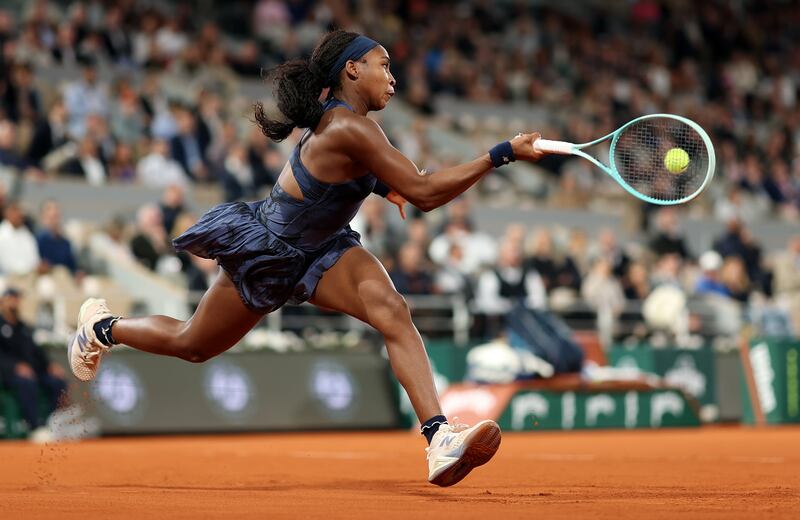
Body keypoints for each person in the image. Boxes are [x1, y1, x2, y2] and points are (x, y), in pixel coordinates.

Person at [68, 30, 543, 487]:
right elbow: (423, 192)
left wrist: (381, 185)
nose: (393, 78)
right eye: (385, 66)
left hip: (326, 249)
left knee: (392, 310)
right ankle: (103, 328)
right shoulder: (348, 127)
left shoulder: (353, 127)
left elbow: (371, 176)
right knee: (194, 344)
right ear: (352, 70)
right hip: (270, 251)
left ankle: (439, 438)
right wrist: (500, 154)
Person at [0, 288, 67, 442]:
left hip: (33, 371)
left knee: (57, 382)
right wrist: (15, 367)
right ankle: (34, 426)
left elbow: (37, 351)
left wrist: (49, 366)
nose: (15, 302)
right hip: (9, 375)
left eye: (17, 298)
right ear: (2, 301)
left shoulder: (24, 327)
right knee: (27, 383)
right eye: (11, 298)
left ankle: (49, 423)